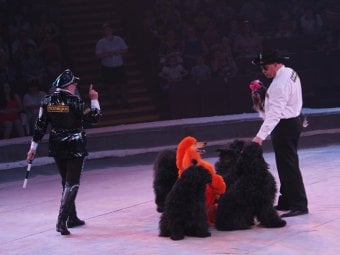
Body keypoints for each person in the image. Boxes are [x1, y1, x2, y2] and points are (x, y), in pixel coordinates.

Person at [26, 69, 101, 235]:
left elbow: (40, 126)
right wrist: (94, 99)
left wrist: (33, 148)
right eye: (74, 83)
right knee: (72, 183)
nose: (75, 85)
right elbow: (95, 117)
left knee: (65, 182)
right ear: (69, 85)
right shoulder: (75, 102)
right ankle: (61, 221)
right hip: (75, 146)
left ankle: (72, 217)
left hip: (57, 146)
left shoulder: (46, 101)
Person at [251, 49, 308, 218]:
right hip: (293, 121)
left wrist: (259, 137)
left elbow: (274, 114)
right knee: (286, 164)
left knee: (288, 165)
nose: (263, 71)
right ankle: (287, 200)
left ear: (276, 64)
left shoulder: (279, 85)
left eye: (266, 67)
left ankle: (299, 204)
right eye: (261, 68)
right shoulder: (289, 72)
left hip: (285, 126)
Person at [95, 22, 129, 108]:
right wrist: (107, 54)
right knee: (111, 85)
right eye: (106, 30)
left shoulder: (119, 39)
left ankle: (124, 100)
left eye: (109, 29)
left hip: (119, 65)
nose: (108, 31)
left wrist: (118, 52)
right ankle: (114, 102)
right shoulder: (101, 42)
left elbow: (125, 49)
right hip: (108, 66)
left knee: (123, 83)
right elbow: (98, 55)